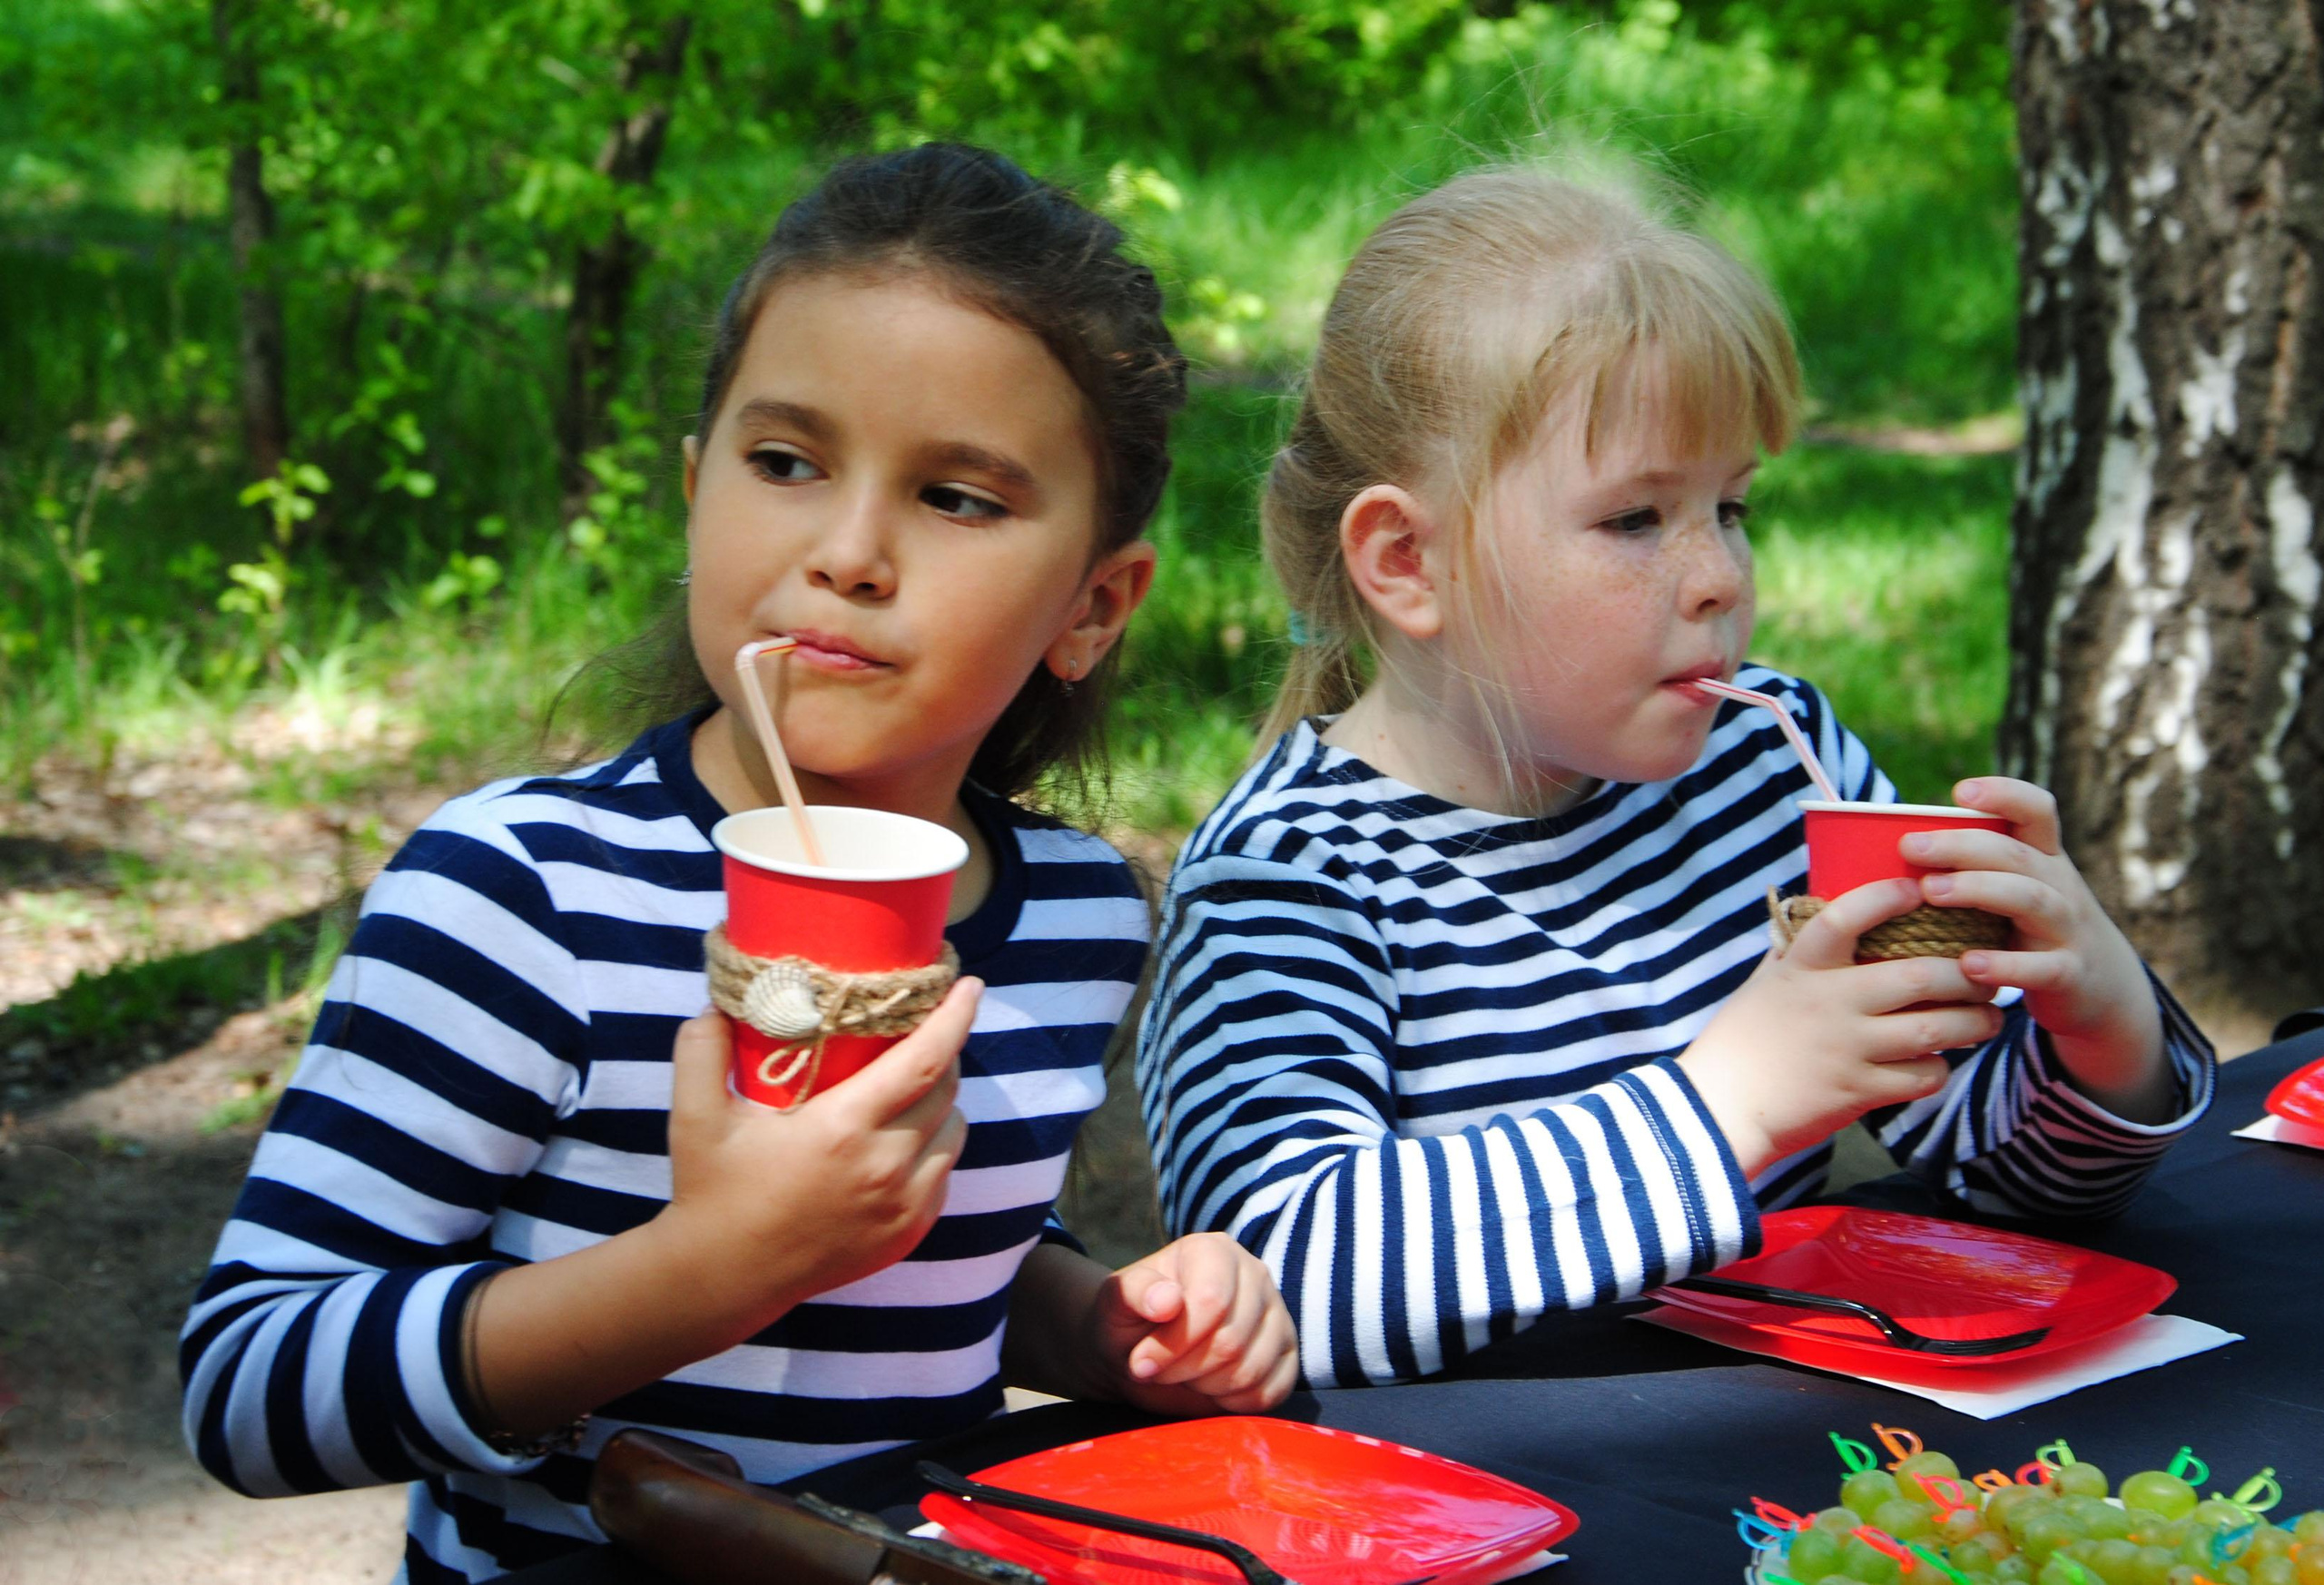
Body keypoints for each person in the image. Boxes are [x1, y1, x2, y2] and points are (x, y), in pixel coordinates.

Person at [181, 143, 1296, 1581]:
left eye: (958, 497)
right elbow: (251, 1385)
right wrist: (708, 1267)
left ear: (1094, 604)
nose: (849, 551)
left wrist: (1100, 1325)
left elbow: (942, 1260)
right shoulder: (522, 894)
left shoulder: (1078, 915)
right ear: (695, 490)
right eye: (786, 463)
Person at [1133, 165, 2214, 1391]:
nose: (1718, 578)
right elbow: (1279, 1282)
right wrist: (1729, 1102)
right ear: (1408, 561)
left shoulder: (1771, 771)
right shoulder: (1291, 876)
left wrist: (2099, 1022)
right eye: (1636, 520)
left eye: (1733, 508)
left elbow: (2007, 1185)